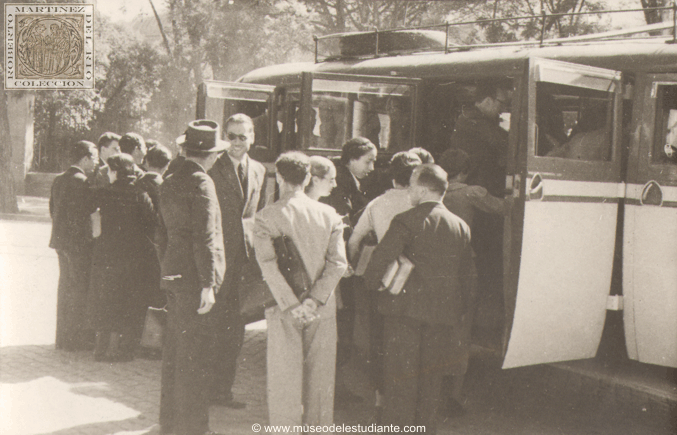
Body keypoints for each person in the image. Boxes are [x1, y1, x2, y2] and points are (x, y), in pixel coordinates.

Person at [362, 164, 474, 434]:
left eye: (412, 186)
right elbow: (468, 278)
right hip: (442, 318)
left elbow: (379, 262)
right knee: (430, 385)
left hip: (403, 314)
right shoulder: (461, 226)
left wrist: (373, 285)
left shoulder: (406, 220)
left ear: (423, 189)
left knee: (400, 381)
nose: (409, 191)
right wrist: (459, 312)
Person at [253, 151, 348, 428]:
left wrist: (293, 304)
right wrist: (314, 301)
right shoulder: (329, 214)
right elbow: (338, 264)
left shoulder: (266, 217)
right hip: (322, 307)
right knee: (321, 380)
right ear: (308, 178)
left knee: (284, 379)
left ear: (279, 177)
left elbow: (267, 265)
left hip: (283, 307)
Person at [159, 120, 227, 435]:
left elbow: (161, 231)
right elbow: (205, 237)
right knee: (195, 356)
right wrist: (208, 284)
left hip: (173, 272)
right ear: (210, 155)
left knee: (174, 353)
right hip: (194, 278)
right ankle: (193, 427)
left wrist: (167, 266)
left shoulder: (170, 178)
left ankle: (170, 422)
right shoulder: (202, 182)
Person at [346, 150, 422, 414]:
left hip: (385, 280)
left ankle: (380, 397)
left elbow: (354, 241)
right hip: (416, 281)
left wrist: (357, 268)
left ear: (392, 176)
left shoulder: (377, 204)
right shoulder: (420, 204)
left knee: (379, 339)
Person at [207, 113, 267, 409]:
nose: (237, 143)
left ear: (252, 138)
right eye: (231, 136)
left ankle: (222, 391)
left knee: (234, 329)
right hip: (217, 259)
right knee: (211, 326)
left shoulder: (258, 170)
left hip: (244, 261)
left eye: (243, 136)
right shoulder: (212, 167)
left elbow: (257, 215)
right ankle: (204, 390)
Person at [449, 83, 510, 345]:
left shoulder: (471, 120)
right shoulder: (478, 125)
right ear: (485, 100)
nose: (502, 109)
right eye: (500, 103)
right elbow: (505, 144)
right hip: (481, 202)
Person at [322, 136, 377, 407]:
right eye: (368, 161)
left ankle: (334, 387)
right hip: (340, 270)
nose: (372, 167)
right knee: (341, 327)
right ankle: (333, 391)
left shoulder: (349, 184)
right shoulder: (342, 187)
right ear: (351, 159)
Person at [89, 153, 158, 362]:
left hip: (107, 257)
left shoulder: (102, 194)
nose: (108, 174)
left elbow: (94, 224)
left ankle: (101, 350)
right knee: (131, 303)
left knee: (106, 301)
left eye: (110, 170)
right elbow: (152, 224)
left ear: (117, 171)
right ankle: (125, 351)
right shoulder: (140, 194)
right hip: (134, 259)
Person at [49, 140, 99, 351]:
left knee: (65, 288)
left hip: (60, 241)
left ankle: (63, 338)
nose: (96, 163)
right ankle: (76, 339)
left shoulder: (59, 180)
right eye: (94, 158)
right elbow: (89, 213)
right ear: (85, 158)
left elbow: (52, 208)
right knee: (79, 288)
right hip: (78, 244)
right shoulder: (83, 182)